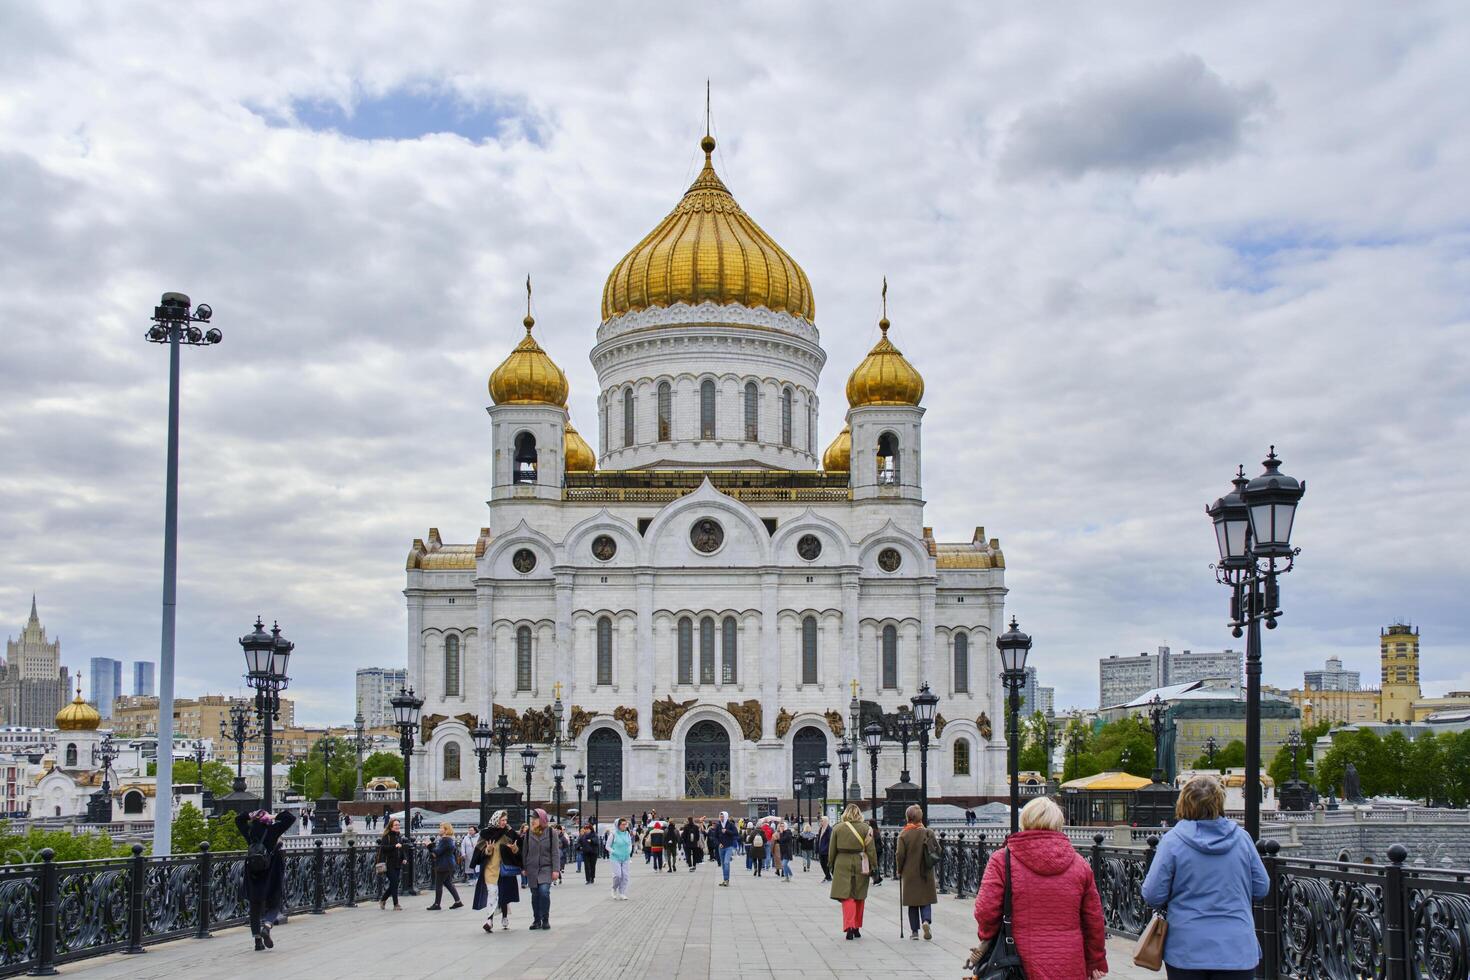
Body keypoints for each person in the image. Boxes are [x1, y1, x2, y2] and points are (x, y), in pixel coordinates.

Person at [1141, 774, 1269, 980]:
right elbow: (1261, 887)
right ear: (1219, 802)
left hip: (1186, 949)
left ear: (1183, 803)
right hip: (1236, 948)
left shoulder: (1173, 841)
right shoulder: (1242, 839)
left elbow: (1153, 894)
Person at [976, 797, 1107, 980]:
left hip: (1017, 960)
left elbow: (985, 910)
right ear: (1059, 823)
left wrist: (987, 936)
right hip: (1070, 961)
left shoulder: (1002, 860)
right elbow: (1094, 919)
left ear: (1025, 821)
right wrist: (1095, 960)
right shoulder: (1079, 864)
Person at [236, 808, 296, 951]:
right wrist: (274, 815)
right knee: (274, 902)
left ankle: (257, 941)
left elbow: (238, 819)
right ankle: (267, 926)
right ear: (266, 819)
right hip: (271, 871)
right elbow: (290, 818)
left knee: (255, 906)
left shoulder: (249, 832)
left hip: (253, 872)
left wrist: (250, 814)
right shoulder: (273, 830)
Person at [828, 803, 878, 940]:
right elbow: (871, 850)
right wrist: (874, 867)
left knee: (847, 896)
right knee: (859, 895)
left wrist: (830, 864)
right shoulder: (866, 828)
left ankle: (849, 926)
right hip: (861, 861)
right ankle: (856, 927)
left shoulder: (837, 828)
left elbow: (832, 849)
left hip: (842, 861)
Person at [471, 810, 521, 933]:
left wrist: (514, 849)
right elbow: (479, 853)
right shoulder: (485, 834)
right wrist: (488, 850)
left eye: (505, 820)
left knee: (503, 894)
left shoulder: (509, 833)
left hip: (504, 870)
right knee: (492, 893)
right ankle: (489, 920)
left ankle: (504, 916)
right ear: (496, 820)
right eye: (502, 820)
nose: (504, 822)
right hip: (490, 870)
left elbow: (518, 848)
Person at [894, 804, 938, 940]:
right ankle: (926, 920)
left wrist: (899, 870)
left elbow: (899, 855)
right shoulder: (928, 832)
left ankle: (914, 932)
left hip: (910, 872)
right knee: (926, 899)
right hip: (926, 871)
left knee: (912, 903)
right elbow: (938, 850)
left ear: (908, 817)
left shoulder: (904, 834)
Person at [522, 808, 561, 930]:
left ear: (542, 819)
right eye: (532, 818)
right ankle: (536, 920)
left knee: (544, 892)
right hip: (532, 869)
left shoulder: (551, 832)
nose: (533, 821)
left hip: (546, 868)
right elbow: (525, 852)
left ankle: (545, 919)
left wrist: (556, 870)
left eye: (535, 818)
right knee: (535, 895)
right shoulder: (529, 833)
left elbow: (555, 852)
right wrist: (523, 867)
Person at [425, 821, 464, 910]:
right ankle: (458, 902)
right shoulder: (450, 839)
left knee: (439, 884)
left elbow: (438, 852)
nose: (439, 829)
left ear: (446, 830)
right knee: (448, 883)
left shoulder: (445, 840)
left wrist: (429, 845)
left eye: (441, 828)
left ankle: (437, 904)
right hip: (449, 864)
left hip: (443, 865)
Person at [376, 817, 406, 910]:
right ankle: (396, 904)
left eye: (398, 825)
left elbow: (401, 849)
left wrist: (404, 858)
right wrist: (394, 846)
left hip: (397, 863)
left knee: (395, 883)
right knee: (394, 882)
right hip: (389, 864)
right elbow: (383, 848)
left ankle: (383, 899)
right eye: (395, 825)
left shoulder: (398, 836)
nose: (397, 826)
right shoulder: (387, 836)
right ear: (391, 826)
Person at [608, 817, 634, 900]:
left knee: (625, 876)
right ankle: (614, 888)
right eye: (622, 824)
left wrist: (629, 850)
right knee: (618, 875)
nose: (624, 826)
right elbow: (607, 846)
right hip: (615, 858)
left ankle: (622, 892)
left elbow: (630, 843)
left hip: (625, 857)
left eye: (625, 824)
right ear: (618, 825)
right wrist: (614, 851)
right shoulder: (613, 834)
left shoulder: (627, 834)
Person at [712, 811, 739, 887]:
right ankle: (725, 880)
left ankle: (726, 880)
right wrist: (718, 843)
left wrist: (727, 831)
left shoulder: (730, 824)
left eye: (723, 816)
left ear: (726, 817)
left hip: (729, 847)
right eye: (720, 817)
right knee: (723, 865)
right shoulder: (718, 825)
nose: (721, 818)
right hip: (721, 848)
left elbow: (736, 833)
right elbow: (715, 837)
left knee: (726, 862)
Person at [816, 816, 833, 881]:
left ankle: (828, 877)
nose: (821, 822)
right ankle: (827, 876)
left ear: (825, 821)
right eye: (820, 821)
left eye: (822, 821)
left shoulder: (829, 829)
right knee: (822, 864)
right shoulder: (821, 829)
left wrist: (826, 848)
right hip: (821, 850)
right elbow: (819, 839)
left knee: (826, 864)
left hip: (826, 851)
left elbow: (830, 840)